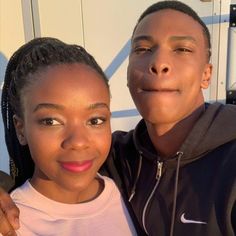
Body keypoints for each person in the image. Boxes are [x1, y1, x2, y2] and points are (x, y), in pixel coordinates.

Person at [0, 1, 235, 236]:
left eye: (182, 49)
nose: (159, 63)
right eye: (143, 49)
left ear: (207, 74)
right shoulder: (118, 160)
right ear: (128, 72)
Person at [0, 37, 137, 235]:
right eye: (51, 121)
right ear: (21, 129)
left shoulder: (133, 191)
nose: (78, 142)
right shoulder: (11, 225)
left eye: (95, 120)